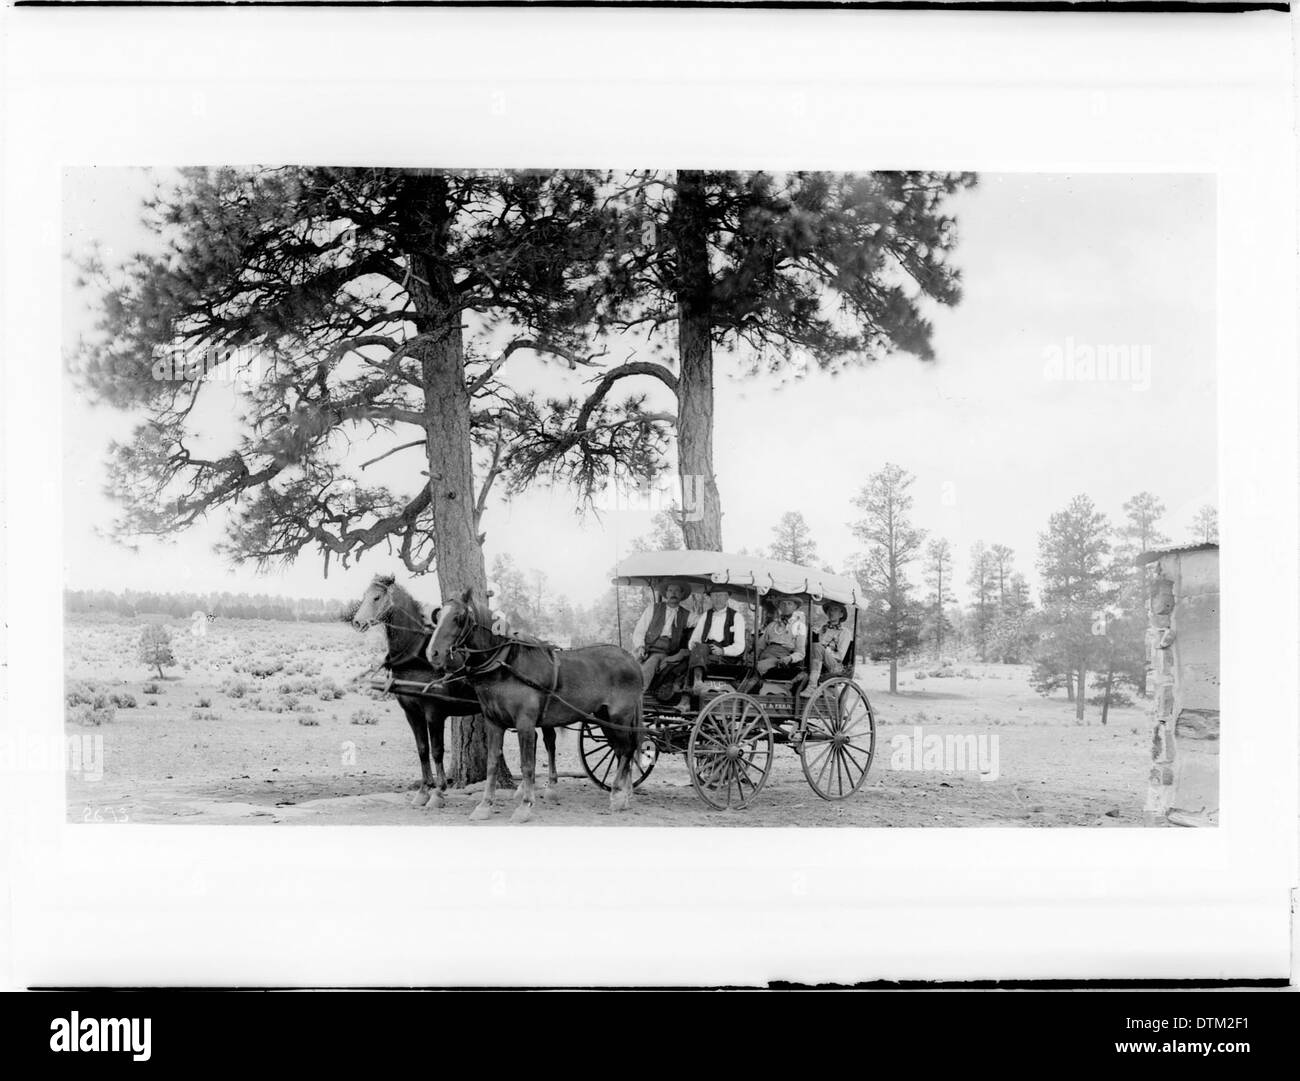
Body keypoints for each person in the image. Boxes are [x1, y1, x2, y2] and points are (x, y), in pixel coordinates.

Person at [631, 580, 694, 694]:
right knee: (627, 663)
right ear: (666, 593)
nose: (673, 594)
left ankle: (636, 695)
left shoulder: (687, 615)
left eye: (677, 591)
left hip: (664, 652)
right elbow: (640, 630)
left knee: (651, 663)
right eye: (670, 590)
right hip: (646, 647)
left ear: (681, 594)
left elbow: (702, 622)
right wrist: (640, 646)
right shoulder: (653, 609)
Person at [738, 595, 807, 694]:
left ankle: (742, 695)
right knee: (745, 667)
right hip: (765, 655)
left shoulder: (799, 626)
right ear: (779, 606)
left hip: (781, 659)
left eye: (789, 604)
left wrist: (789, 658)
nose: (786, 606)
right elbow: (760, 646)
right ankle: (744, 693)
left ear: (795, 607)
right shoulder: (772, 625)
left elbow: (800, 652)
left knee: (758, 667)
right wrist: (751, 657)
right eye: (783, 604)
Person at [687, 588, 747, 693]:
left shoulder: (736, 617)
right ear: (710, 598)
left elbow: (740, 646)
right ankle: (697, 682)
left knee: (697, 653)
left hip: (726, 655)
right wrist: (693, 646)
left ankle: (687, 696)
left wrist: (723, 650)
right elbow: (695, 637)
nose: (717, 599)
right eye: (714, 595)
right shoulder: (706, 615)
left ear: (727, 597)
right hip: (705, 650)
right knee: (697, 648)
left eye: (721, 595)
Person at [804, 600, 852, 693]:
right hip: (818, 661)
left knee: (817, 647)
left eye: (835, 610)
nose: (831, 612)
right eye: (829, 610)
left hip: (835, 666)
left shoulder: (845, 633)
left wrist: (823, 649)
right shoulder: (822, 628)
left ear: (841, 615)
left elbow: (840, 656)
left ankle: (812, 686)